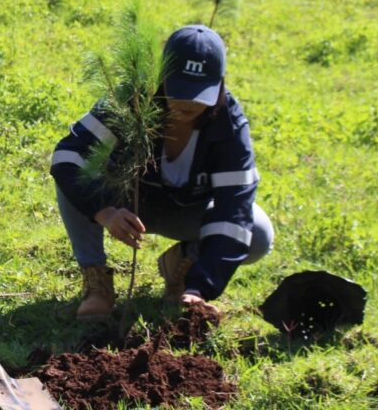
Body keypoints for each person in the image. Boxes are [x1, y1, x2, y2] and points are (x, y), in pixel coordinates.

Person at [50, 26, 274, 320]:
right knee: (77, 176)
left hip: (188, 212)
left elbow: (235, 211)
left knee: (256, 234)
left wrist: (200, 287)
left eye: (199, 94)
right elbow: (67, 156)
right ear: (161, 76)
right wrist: (104, 210)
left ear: (219, 84)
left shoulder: (229, 126)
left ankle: (185, 266)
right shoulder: (132, 101)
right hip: (123, 202)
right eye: (179, 88)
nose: (187, 103)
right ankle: (97, 282)